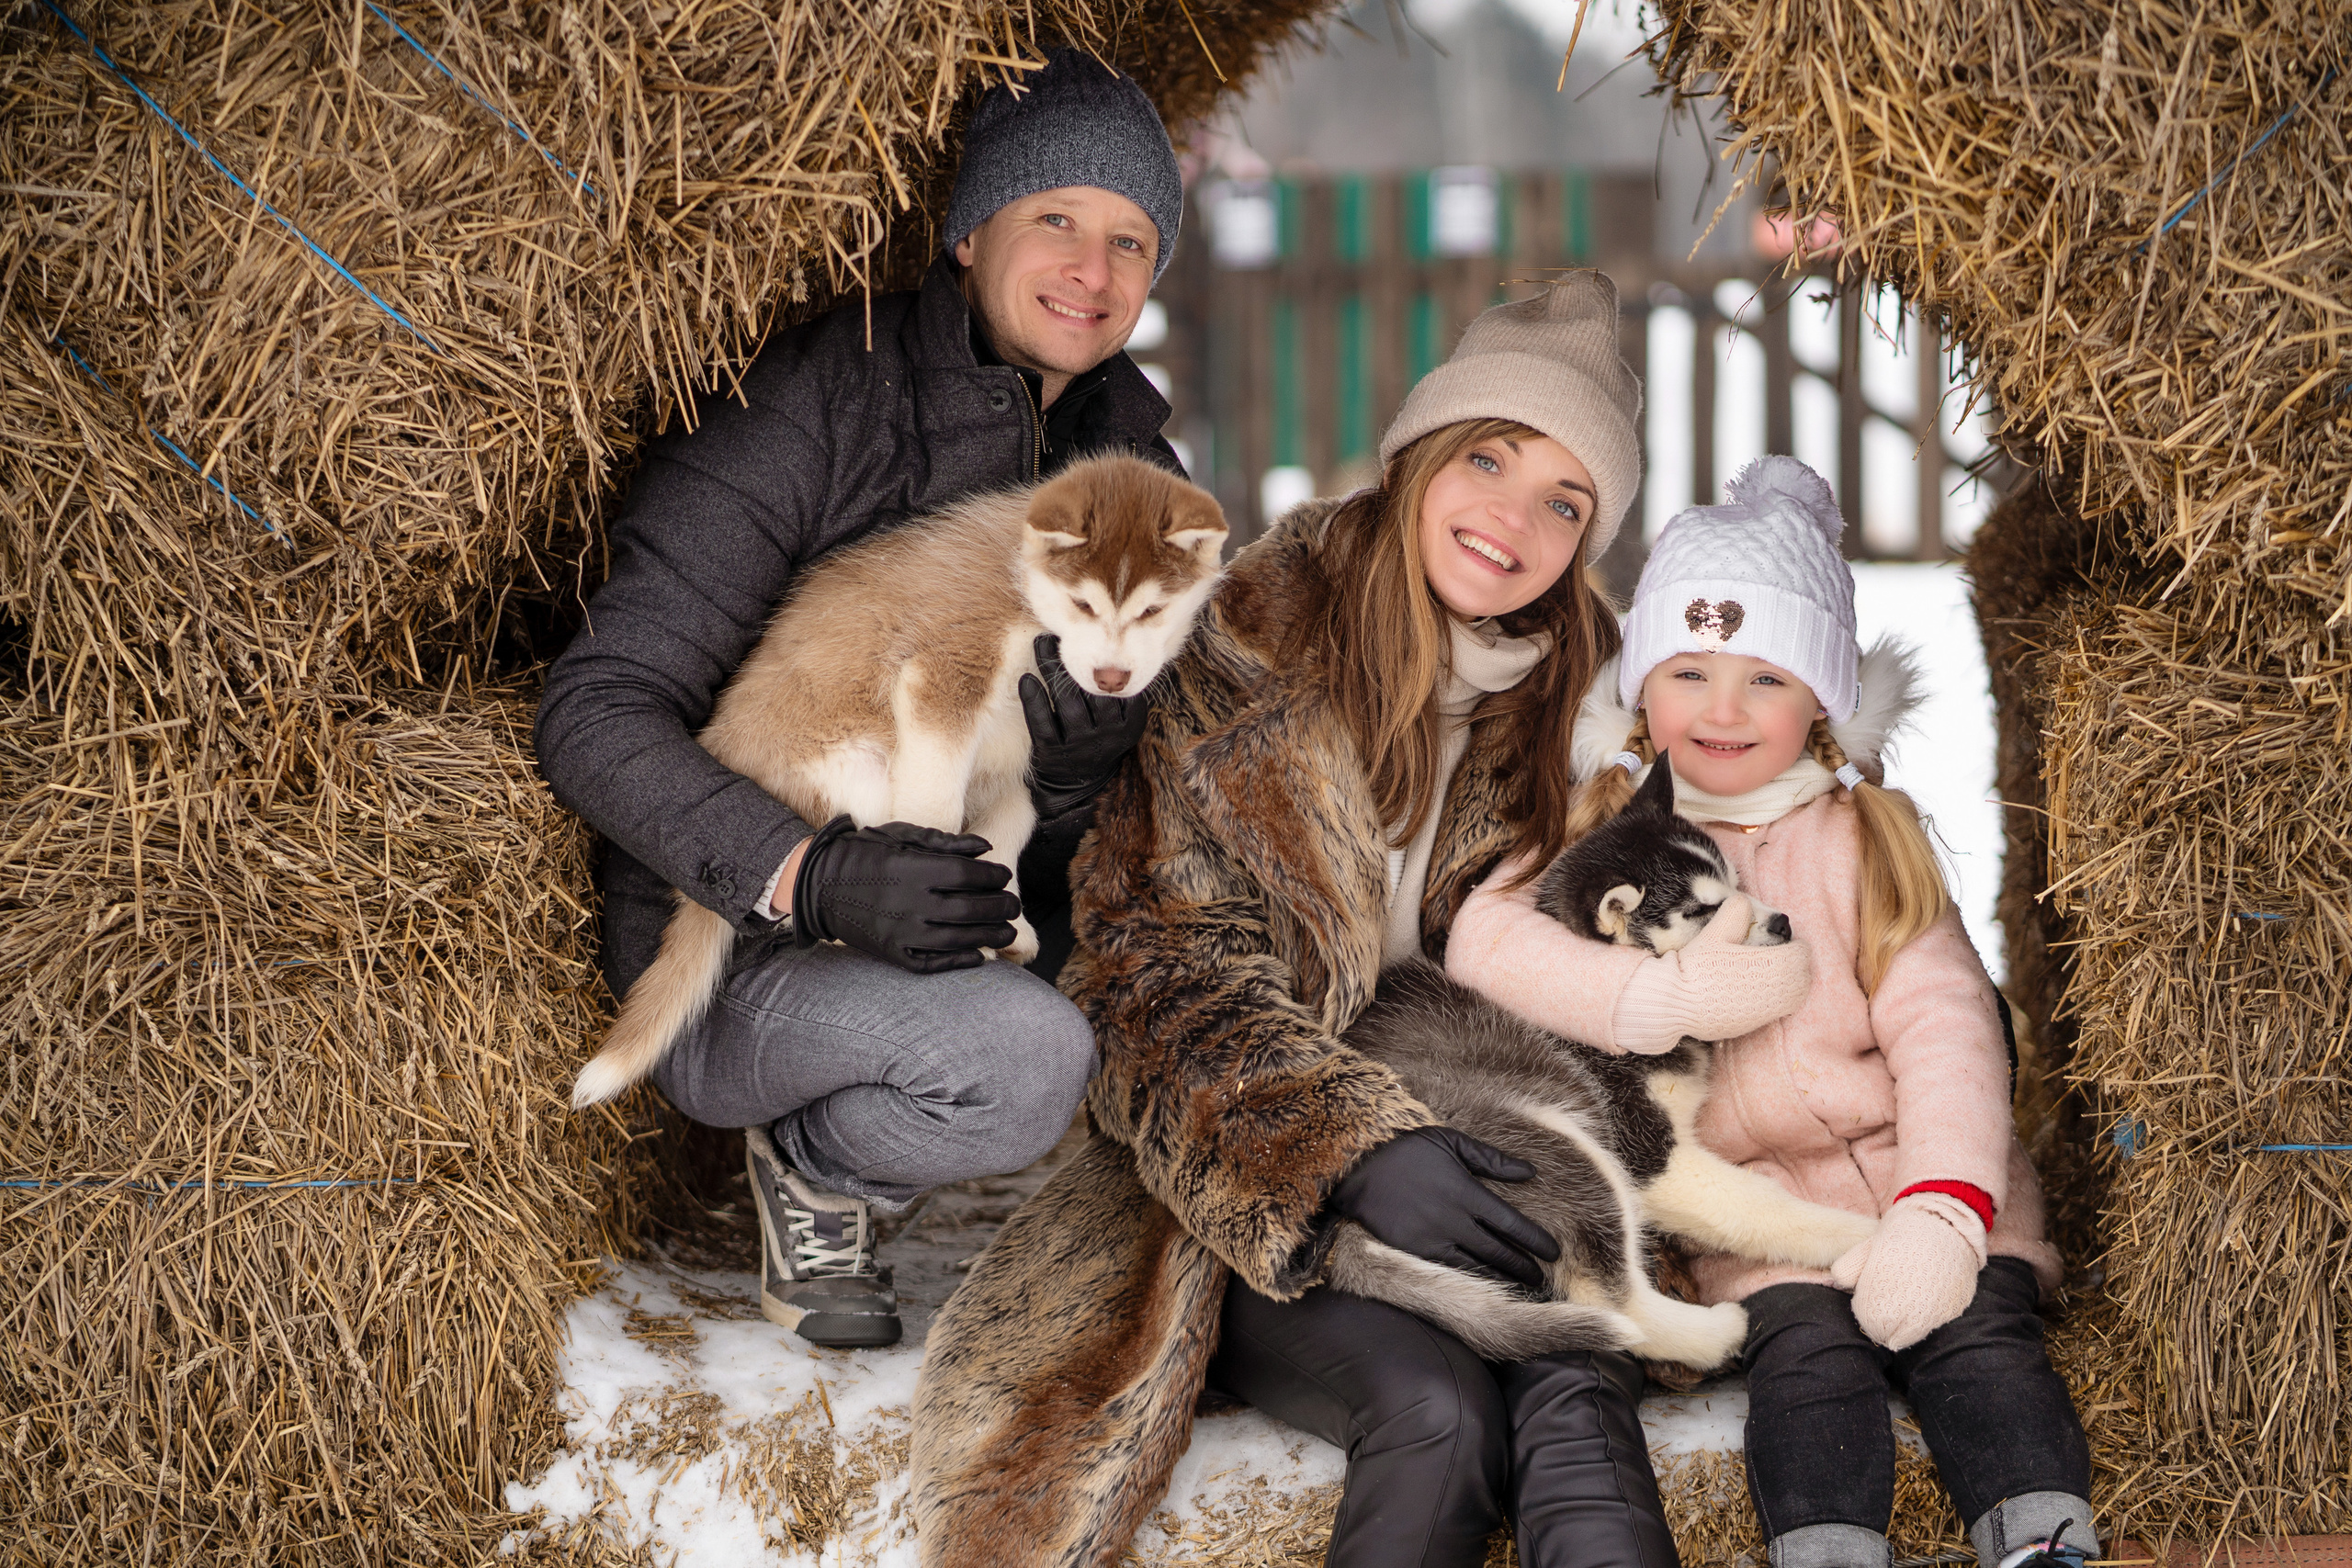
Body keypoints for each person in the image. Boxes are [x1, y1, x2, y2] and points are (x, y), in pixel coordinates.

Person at [912, 275, 1753, 1568]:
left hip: (1509, 1136)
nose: (1512, 519)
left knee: (1578, 1393)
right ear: (1420, 453)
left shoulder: (1594, 698)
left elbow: (1701, 882)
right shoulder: (1245, 643)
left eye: (1565, 501)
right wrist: (1345, 1150)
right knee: (1438, 1410)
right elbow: (1148, 970)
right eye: (1490, 458)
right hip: (1253, 1172)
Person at [533, 49, 1186, 1348]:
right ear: (967, 233)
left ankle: (870, 1161)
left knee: (1159, 998)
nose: (1091, 270)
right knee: (1025, 1052)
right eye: (1054, 215)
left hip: (957, 915)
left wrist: (1074, 778)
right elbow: (595, 708)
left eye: (1130, 239)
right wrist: (805, 875)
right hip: (738, 943)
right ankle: (832, 1168)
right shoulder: (817, 400)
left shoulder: (1140, 477)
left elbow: (1088, 838)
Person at [1444, 456, 2098, 1568]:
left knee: (1978, 1338)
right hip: (1758, 1217)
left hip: (1918, 1180)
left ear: (1822, 702)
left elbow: (1948, 1031)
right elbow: (1485, 941)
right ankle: (1827, 1547)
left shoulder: (1863, 837)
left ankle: (2038, 1534)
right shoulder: (1603, 820)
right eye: (1688, 672)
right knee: (1804, 1360)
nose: (1722, 710)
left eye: (1765, 679)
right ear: (1640, 688)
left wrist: (1942, 1209)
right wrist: (1646, 996)